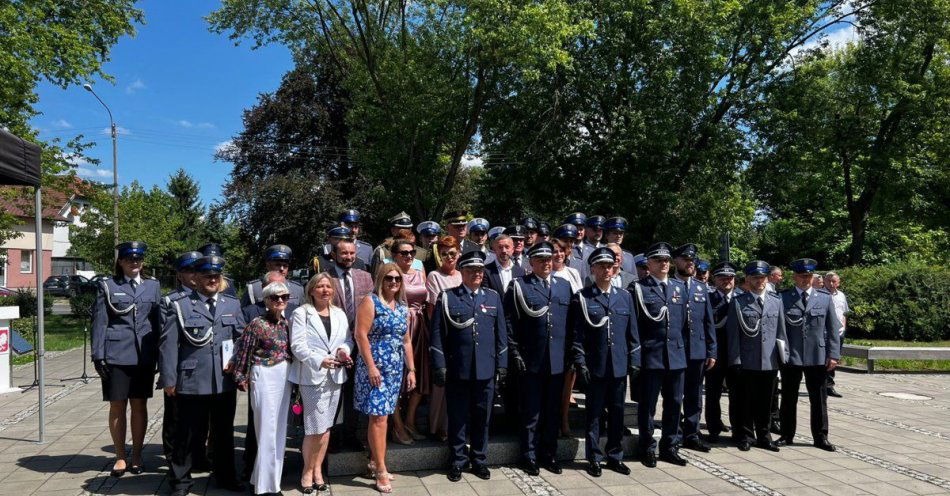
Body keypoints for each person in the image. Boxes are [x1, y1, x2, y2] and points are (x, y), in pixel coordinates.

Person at [160, 255, 245, 496]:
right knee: (187, 435)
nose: (212, 280)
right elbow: (168, 345)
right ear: (195, 278)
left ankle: (225, 476)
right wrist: (169, 380)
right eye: (207, 276)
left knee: (223, 434)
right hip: (191, 381)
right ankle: (180, 482)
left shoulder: (231, 304)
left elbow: (241, 339)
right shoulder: (180, 305)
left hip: (223, 380)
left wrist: (241, 368)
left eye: (216, 276)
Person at [430, 250, 508, 482]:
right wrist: (439, 365)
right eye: (471, 270)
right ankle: (457, 460)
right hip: (458, 368)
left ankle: (479, 459)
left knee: (482, 417)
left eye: (480, 270)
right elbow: (437, 335)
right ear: (462, 272)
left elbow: (501, 334)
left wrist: (502, 365)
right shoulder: (448, 297)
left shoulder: (492, 298)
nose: (477, 274)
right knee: (458, 417)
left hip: (485, 368)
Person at [91, 241, 162, 477]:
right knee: (117, 405)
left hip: (144, 356)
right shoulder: (108, 286)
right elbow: (100, 321)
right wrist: (98, 354)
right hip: (116, 355)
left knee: (139, 405)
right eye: (130, 259)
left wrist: (161, 356)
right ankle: (120, 456)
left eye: (138, 259)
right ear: (120, 261)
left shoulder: (153, 286)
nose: (135, 263)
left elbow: (158, 323)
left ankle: (137, 456)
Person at [504, 241, 573, 476]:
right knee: (531, 412)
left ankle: (549, 454)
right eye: (541, 260)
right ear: (530, 262)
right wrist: (514, 353)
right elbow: (510, 323)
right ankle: (529, 455)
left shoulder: (564, 286)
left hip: (557, 360)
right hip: (531, 359)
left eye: (549, 259)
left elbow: (570, 324)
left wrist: (571, 355)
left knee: (552, 411)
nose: (546, 263)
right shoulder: (520, 286)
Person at [572, 248, 639, 477]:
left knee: (618, 413)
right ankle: (594, 457)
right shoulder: (582, 297)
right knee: (594, 415)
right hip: (595, 366)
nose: (606, 270)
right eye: (601, 266)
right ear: (592, 269)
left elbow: (633, 334)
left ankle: (615, 455)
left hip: (619, 366)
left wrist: (635, 360)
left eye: (610, 266)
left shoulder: (624, 296)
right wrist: (581, 363)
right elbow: (577, 336)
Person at [289, 273, 354, 493]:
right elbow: (297, 346)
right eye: (320, 286)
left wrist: (344, 352)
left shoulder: (339, 313)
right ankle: (307, 471)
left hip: (335, 376)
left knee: (326, 427)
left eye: (328, 286)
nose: (325, 290)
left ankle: (318, 470)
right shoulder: (301, 313)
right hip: (312, 377)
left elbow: (347, 339)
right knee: (314, 428)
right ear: (311, 290)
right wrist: (320, 360)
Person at [353, 263, 415, 493]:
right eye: (389, 278)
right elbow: (360, 335)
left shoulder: (401, 307)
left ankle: (375, 461)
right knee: (378, 418)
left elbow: (406, 341)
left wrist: (412, 370)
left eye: (397, 279)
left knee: (384, 417)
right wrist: (371, 367)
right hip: (375, 369)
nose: (393, 282)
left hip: (395, 369)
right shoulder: (371, 301)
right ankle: (379, 468)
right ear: (380, 279)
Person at [229, 281, 294, 495]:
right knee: (266, 429)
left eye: (284, 297)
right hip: (264, 375)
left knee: (279, 430)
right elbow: (244, 351)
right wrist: (241, 376)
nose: (280, 301)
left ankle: (264, 480)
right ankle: (267, 488)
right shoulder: (257, 324)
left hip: (284, 376)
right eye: (275, 297)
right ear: (266, 300)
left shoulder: (286, 323)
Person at [627, 242, 688, 467]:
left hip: (676, 356)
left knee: (674, 404)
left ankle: (670, 446)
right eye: (658, 260)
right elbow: (634, 326)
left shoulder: (678, 287)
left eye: (666, 260)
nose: (663, 264)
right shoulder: (638, 289)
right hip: (651, 356)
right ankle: (647, 447)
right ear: (648, 264)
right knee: (648, 406)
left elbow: (682, 324)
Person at [776, 259, 841, 452]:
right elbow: (780, 329)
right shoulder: (783, 298)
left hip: (817, 355)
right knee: (788, 397)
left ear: (813, 277)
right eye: (802, 275)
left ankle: (821, 437)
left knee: (819, 399)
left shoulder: (824, 298)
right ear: (794, 276)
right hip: (792, 355)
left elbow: (833, 327)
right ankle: (787, 434)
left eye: (809, 276)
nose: (805, 279)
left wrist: (834, 355)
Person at [727, 260, 787, 453]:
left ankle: (764, 436)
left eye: (762, 277)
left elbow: (781, 333)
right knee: (746, 401)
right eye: (755, 278)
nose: (759, 281)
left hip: (770, 361)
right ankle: (745, 436)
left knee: (766, 402)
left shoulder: (776, 301)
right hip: (748, 360)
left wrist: (783, 357)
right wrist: (735, 360)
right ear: (748, 279)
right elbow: (733, 334)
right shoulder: (739, 302)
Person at [326, 238, 374, 453]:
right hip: (333, 344)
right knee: (334, 391)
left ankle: (351, 433)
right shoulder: (325, 277)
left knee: (354, 390)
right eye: (344, 253)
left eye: (352, 253)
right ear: (334, 254)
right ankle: (333, 436)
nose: (348, 257)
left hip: (360, 343)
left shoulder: (365, 277)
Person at [671, 244, 717, 453]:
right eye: (685, 260)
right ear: (676, 261)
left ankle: (692, 433)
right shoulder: (669, 285)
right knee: (674, 394)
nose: (690, 263)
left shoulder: (700, 288)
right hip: (676, 349)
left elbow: (709, 322)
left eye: (692, 260)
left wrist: (711, 350)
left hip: (697, 349)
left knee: (695, 394)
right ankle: (674, 434)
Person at [388, 239, 428, 444]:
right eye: (404, 253)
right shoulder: (391, 275)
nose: (409, 256)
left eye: (412, 252)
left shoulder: (420, 272)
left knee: (419, 374)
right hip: (398, 327)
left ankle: (411, 420)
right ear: (394, 255)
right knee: (397, 377)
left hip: (419, 326)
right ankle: (397, 425)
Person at [425, 236, 462, 441]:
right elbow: (431, 312)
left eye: (453, 253)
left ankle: (457, 426)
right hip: (443, 336)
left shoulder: (463, 274)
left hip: (462, 337)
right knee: (441, 385)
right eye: (444, 253)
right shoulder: (434, 276)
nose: (449, 257)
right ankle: (438, 427)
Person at [704, 262, 742, 444]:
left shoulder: (742, 298)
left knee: (738, 395)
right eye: (722, 278)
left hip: (737, 355)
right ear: (714, 279)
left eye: (730, 278)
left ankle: (738, 432)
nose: (727, 281)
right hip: (715, 355)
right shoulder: (707, 298)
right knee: (713, 394)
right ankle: (713, 428)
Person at [242, 244, 305, 310]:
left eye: (285, 266)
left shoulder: (297, 289)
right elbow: (245, 314)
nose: (282, 268)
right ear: (268, 265)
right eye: (277, 265)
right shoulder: (254, 288)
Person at [823, 271, 848, 397]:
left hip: (838, 332)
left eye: (834, 281)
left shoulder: (841, 296)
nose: (831, 283)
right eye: (829, 281)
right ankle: (822, 385)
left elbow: (844, 313)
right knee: (824, 359)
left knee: (834, 359)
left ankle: (829, 386)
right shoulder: (819, 295)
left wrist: (843, 328)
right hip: (825, 333)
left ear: (838, 283)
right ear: (824, 281)